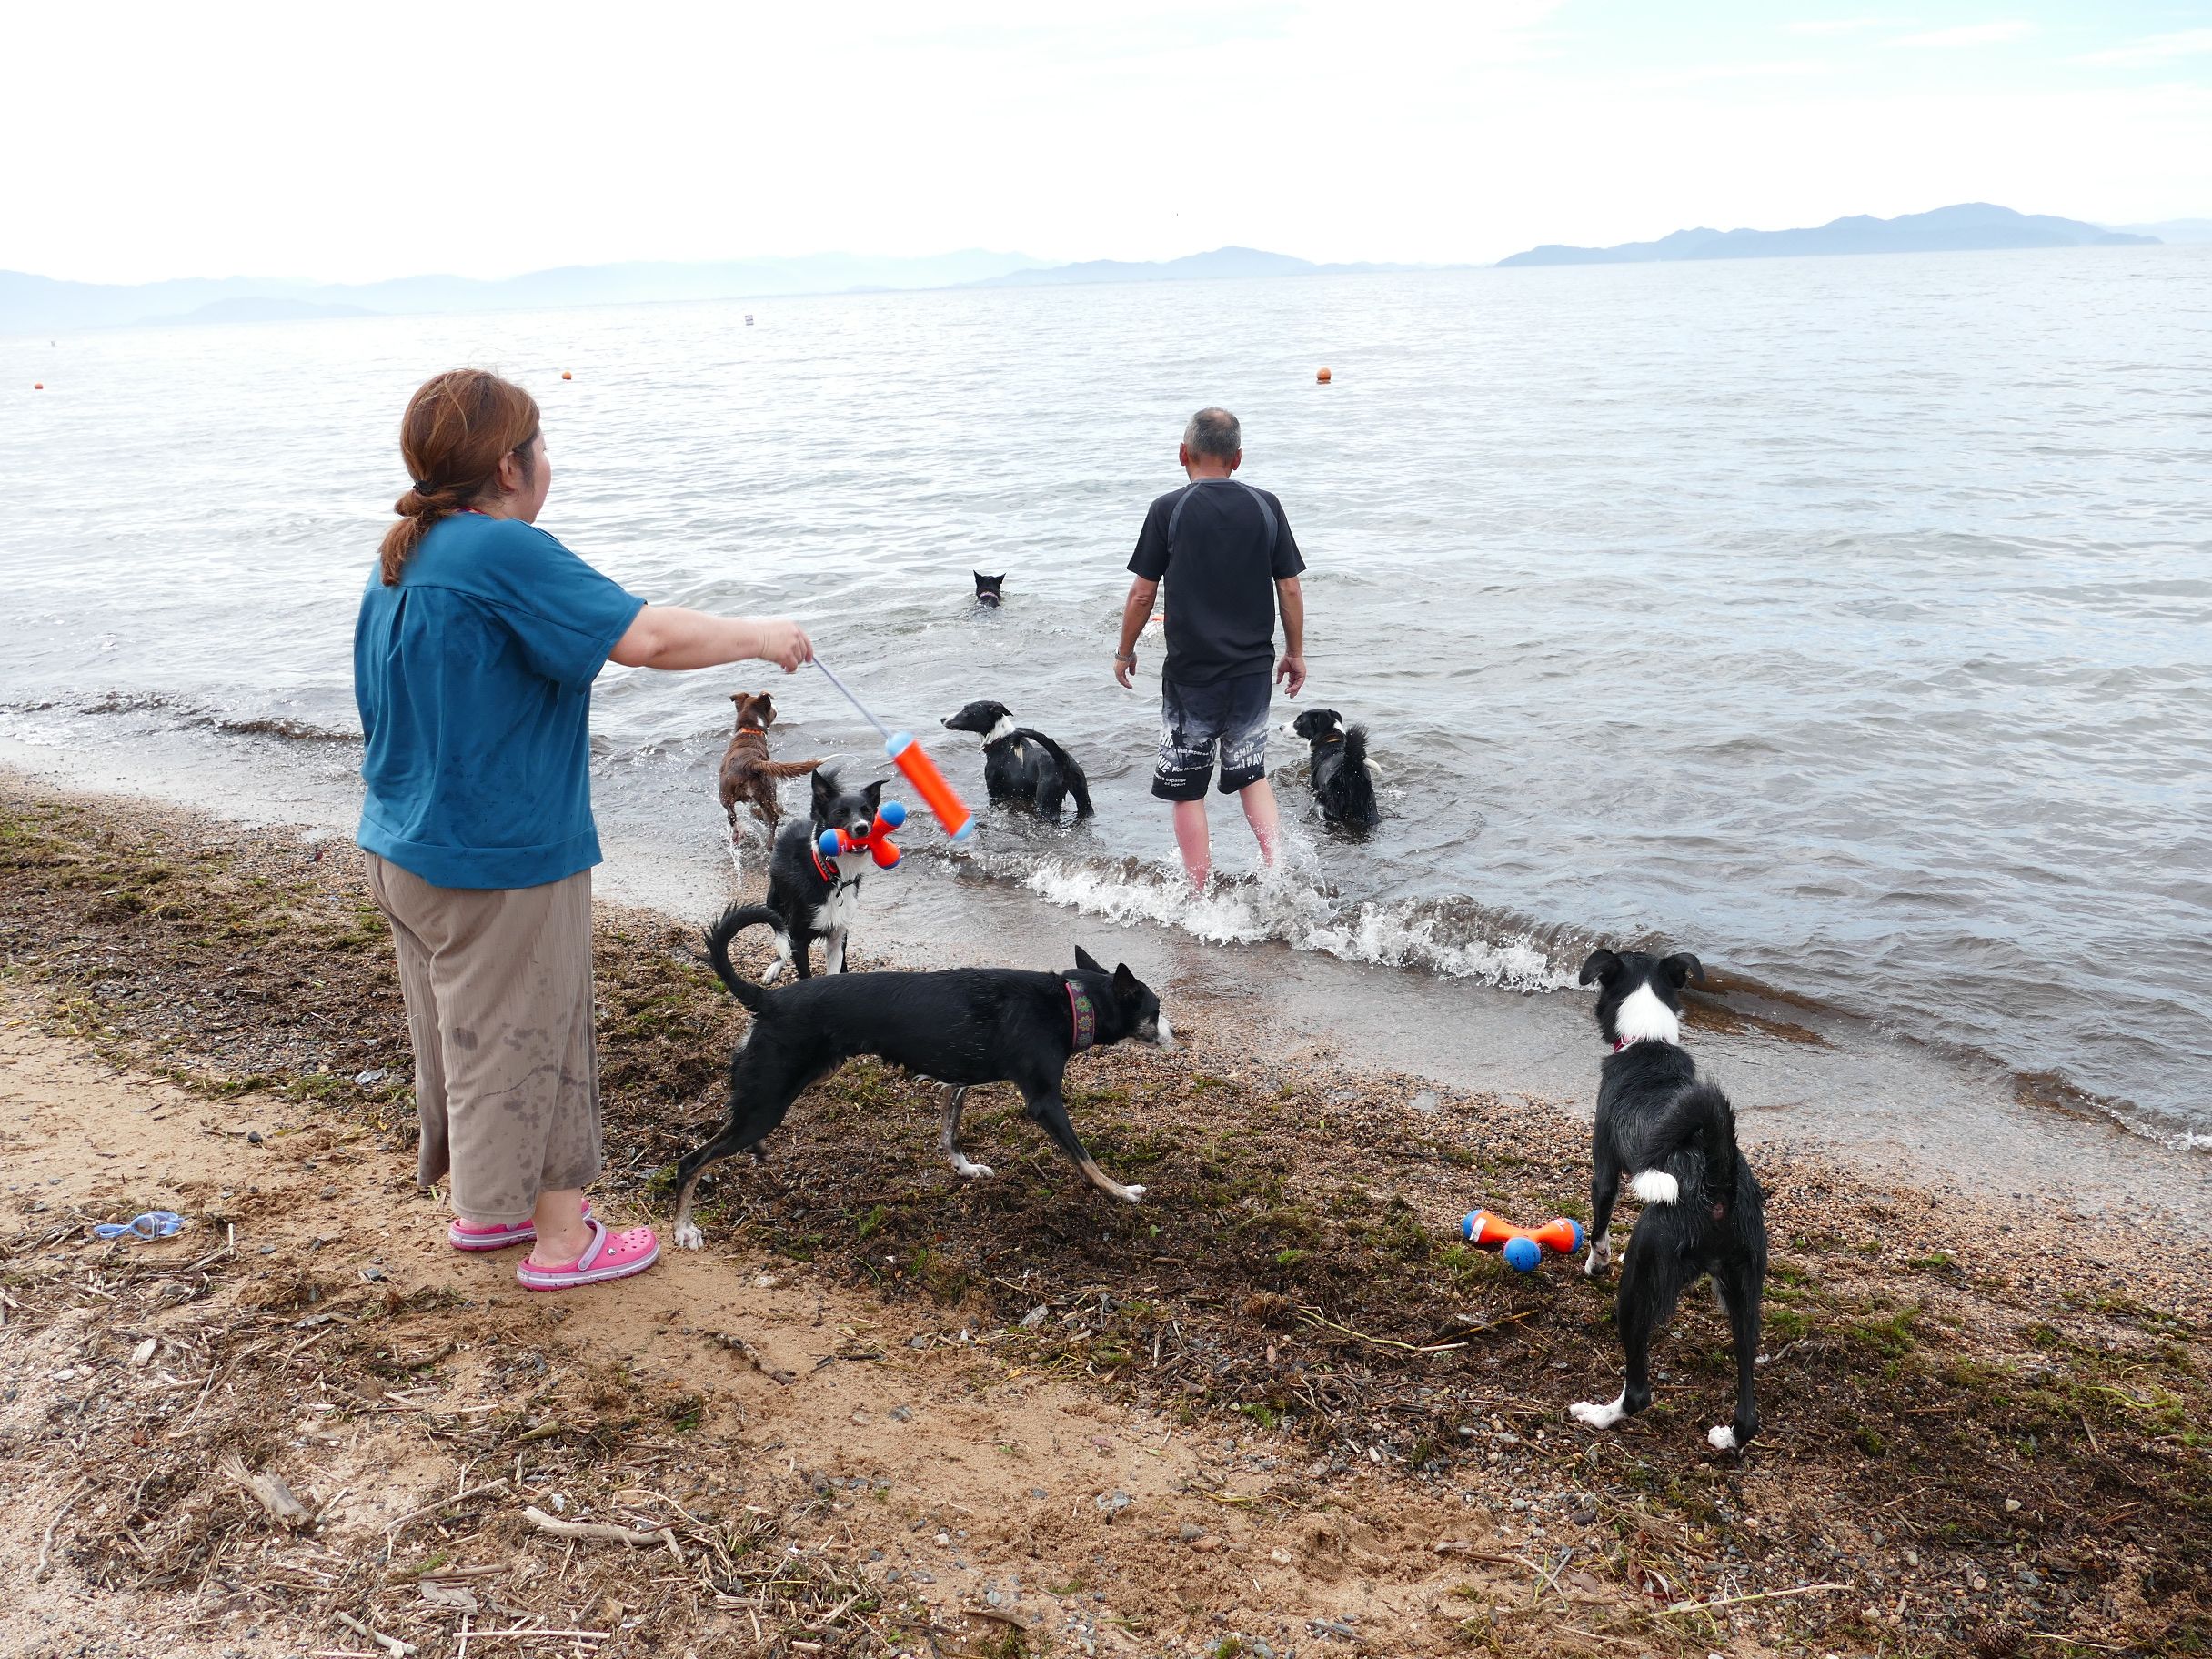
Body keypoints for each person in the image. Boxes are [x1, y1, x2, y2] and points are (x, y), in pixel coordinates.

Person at [354, 368, 811, 1292]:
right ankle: (559, 1242)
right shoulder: (497, 552)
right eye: (541, 447)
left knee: (463, 1033)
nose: (546, 464)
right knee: (536, 1034)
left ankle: (494, 1211)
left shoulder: (404, 558)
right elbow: (644, 639)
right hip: (500, 854)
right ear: (508, 466)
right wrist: (760, 633)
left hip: (404, 844)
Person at [1114, 407, 1307, 891]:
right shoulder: (1266, 505)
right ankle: (1277, 873)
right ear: (1237, 458)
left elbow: (1143, 592)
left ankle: (1198, 891)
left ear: (1183, 453)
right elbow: (1288, 588)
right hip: (1251, 670)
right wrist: (1295, 652)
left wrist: (1125, 650)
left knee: (1187, 789)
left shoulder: (1168, 509)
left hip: (1191, 673)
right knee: (1251, 774)